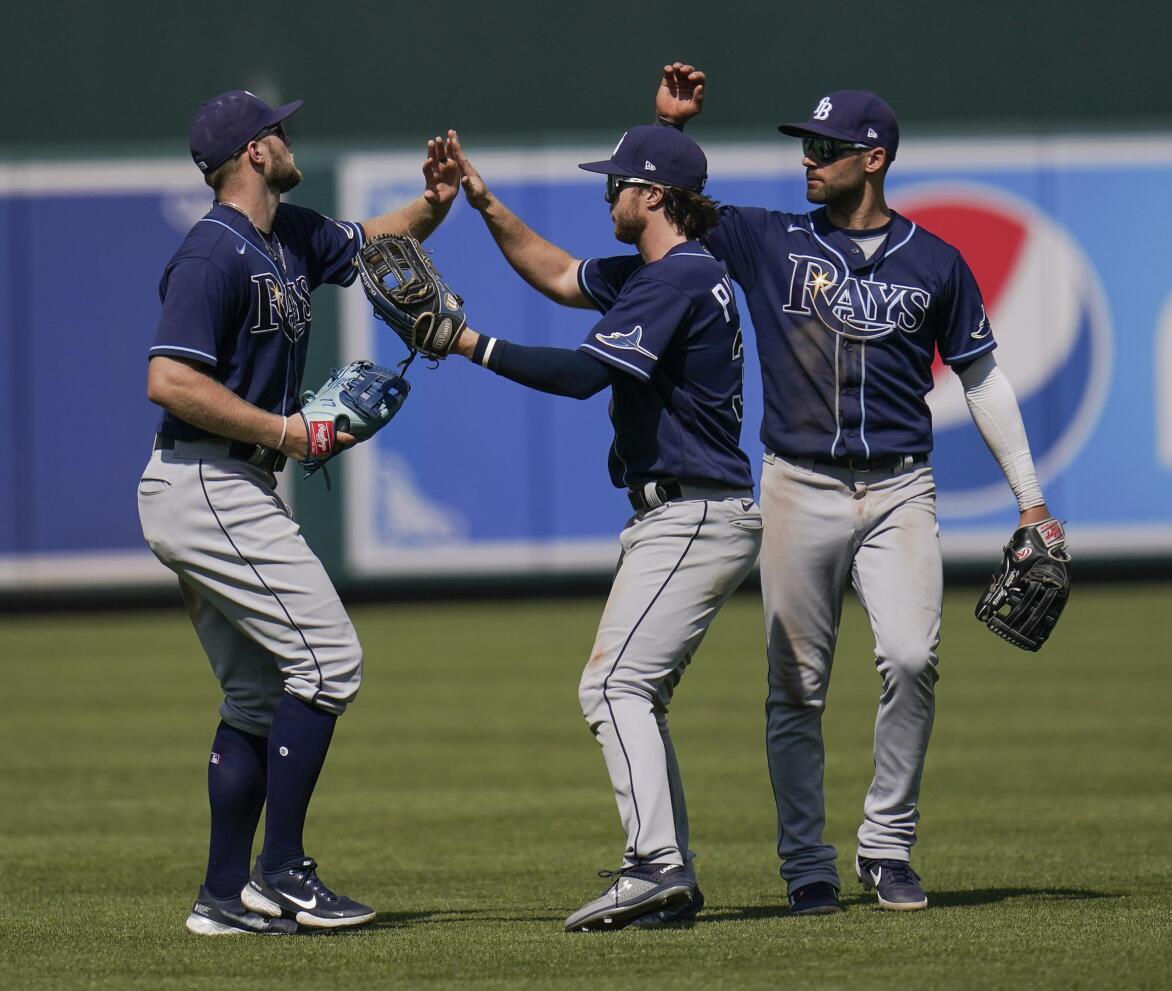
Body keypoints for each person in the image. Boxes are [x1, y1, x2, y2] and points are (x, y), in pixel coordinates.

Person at [652, 64, 1068, 913]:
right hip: (798, 483)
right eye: (807, 145)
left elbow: (982, 379)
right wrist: (675, 130)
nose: (810, 159)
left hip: (900, 490)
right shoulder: (772, 239)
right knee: (796, 685)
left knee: (913, 659)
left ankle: (886, 847)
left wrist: (1031, 500)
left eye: (827, 148)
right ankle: (807, 861)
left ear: (872, 159)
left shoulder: (937, 262)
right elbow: (674, 210)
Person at [137, 89, 460, 935]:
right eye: (276, 129)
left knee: (255, 694)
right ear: (251, 153)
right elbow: (168, 380)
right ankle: (281, 872)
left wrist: (434, 201)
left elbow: (374, 243)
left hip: (226, 483)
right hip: (207, 479)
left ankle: (221, 895)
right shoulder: (213, 254)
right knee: (328, 659)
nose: (288, 137)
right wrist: (287, 429)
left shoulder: (289, 234)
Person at [444, 125, 761, 931]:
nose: (607, 194)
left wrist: (466, 342)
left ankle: (654, 866)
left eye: (617, 183)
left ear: (654, 196)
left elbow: (587, 376)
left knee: (612, 685)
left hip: (693, 510)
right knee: (633, 691)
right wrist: (484, 204)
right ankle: (667, 871)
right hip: (691, 508)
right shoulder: (668, 273)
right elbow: (553, 272)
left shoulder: (675, 278)